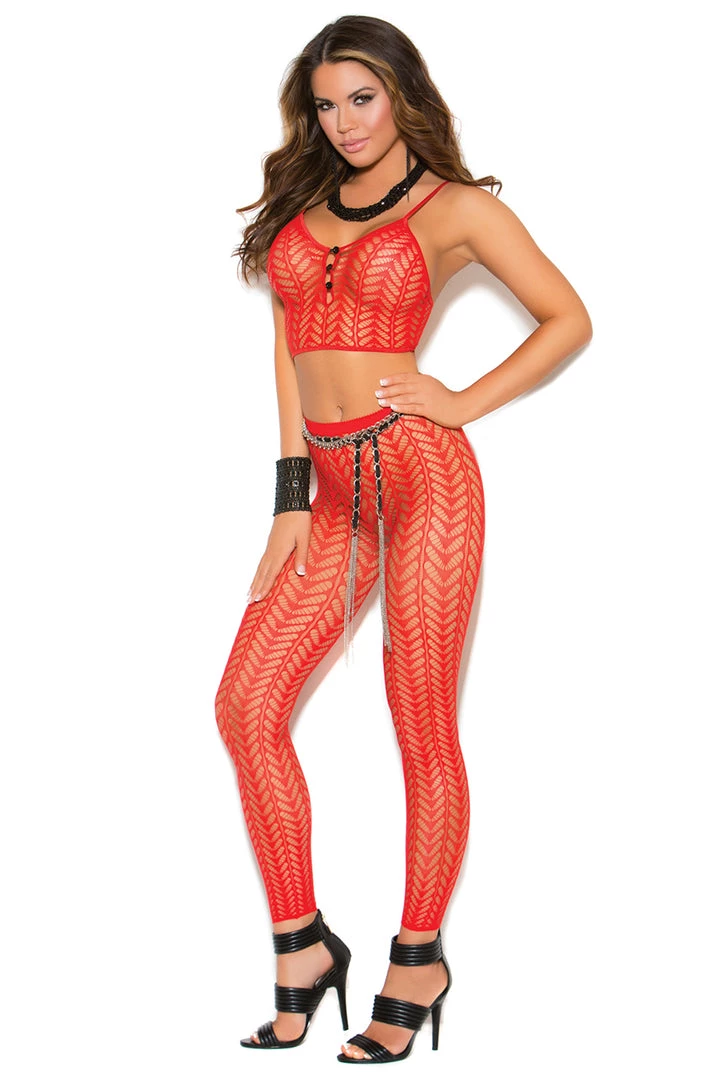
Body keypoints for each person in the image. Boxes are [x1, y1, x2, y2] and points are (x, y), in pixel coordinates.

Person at [215, 14, 592, 1064]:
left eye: (362, 98)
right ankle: (303, 946)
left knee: (420, 725)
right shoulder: (304, 212)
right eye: (325, 105)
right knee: (245, 708)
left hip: (424, 483)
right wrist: (290, 497)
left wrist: (459, 401)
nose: (344, 122)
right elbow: (289, 346)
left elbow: (568, 318)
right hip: (331, 495)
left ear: (400, 93)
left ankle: (418, 959)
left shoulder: (456, 208)